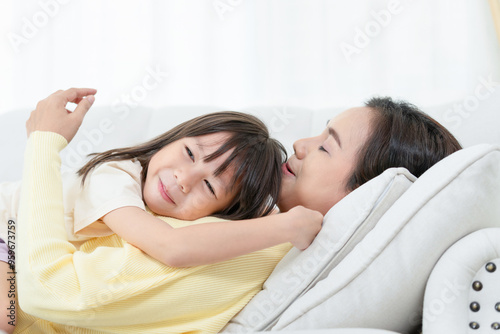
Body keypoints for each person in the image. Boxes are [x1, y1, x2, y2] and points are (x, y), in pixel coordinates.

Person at [14, 88, 461, 333]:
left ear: (365, 192)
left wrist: (44, 144)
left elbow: (55, 290)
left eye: (326, 146)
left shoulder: (251, 250)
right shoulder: (253, 222)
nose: (302, 145)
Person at [4, 88, 323, 334]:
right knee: (8, 314)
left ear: (224, 212)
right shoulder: (116, 175)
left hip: (22, 253)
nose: (183, 179)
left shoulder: (195, 223)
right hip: (8, 228)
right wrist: (285, 226)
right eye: (188, 153)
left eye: (210, 188)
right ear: (173, 138)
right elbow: (170, 245)